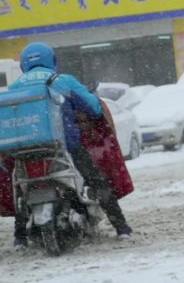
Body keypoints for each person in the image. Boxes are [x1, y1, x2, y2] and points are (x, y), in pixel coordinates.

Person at [11, 42, 133, 251]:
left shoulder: (14, 88)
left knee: (18, 188)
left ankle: (20, 238)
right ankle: (122, 228)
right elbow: (94, 108)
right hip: (65, 147)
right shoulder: (63, 81)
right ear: (52, 61)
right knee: (97, 181)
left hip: (25, 152)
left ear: (23, 65)